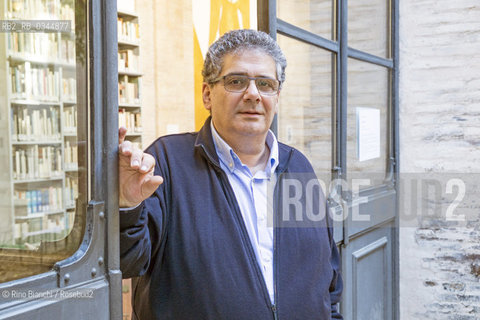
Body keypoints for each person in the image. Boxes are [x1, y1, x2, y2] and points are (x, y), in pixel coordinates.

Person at [118, 29, 343, 319]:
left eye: (265, 84)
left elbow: (327, 277)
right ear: (207, 94)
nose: (253, 94)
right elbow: (127, 262)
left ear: (277, 97)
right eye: (236, 81)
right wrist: (127, 204)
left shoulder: (298, 168)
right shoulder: (168, 163)